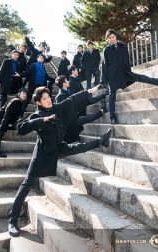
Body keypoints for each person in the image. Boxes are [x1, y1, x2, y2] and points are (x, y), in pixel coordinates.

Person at [8, 86, 112, 236]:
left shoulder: (56, 108)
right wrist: (42, 120)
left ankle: (102, 141)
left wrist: (89, 91)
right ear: (38, 103)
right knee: (26, 185)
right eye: (44, 99)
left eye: (48, 97)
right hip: (42, 156)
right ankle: (12, 220)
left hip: (59, 148)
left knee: (78, 148)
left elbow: (71, 100)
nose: (48, 100)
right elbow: (21, 129)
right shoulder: (36, 115)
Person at [101, 29, 158, 124]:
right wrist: (104, 80)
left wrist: (129, 72)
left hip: (125, 73)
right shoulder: (107, 50)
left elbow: (126, 60)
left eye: (113, 37)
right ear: (108, 39)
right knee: (112, 96)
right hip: (113, 76)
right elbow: (104, 65)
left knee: (141, 77)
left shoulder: (123, 47)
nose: (112, 39)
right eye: (110, 38)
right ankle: (112, 117)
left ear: (116, 36)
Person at [54, 75, 108, 144]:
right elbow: (60, 115)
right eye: (66, 80)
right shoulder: (60, 97)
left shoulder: (67, 93)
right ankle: (102, 111)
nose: (68, 81)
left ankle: (102, 110)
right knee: (88, 118)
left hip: (74, 119)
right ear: (63, 83)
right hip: (70, 124)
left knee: (88, 118)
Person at [15, 54, 55, 120]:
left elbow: (47, 77)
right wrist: (20, 74)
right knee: (27, 100)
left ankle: (40, 116)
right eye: (40, 57)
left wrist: (55, 79)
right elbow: (27, 72)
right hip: (34, 85)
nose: (41, 58)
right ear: (37, 59)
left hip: (42, 87)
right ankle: (20, 115)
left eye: (42, 57)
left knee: (41, 101)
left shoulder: (43, 68)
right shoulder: (34, 65)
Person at [0, 88, 27, 158]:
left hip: (6, 120)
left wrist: (10, 125)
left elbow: (14, 116)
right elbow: (7, 115)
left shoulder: (19, 103)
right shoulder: (14, 102)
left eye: (26, 94)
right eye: (23, 93)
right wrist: (3, 126)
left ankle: (6, 126)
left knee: (11, 128)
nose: (24, 96)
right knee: (1, 131)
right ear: (19, 93)